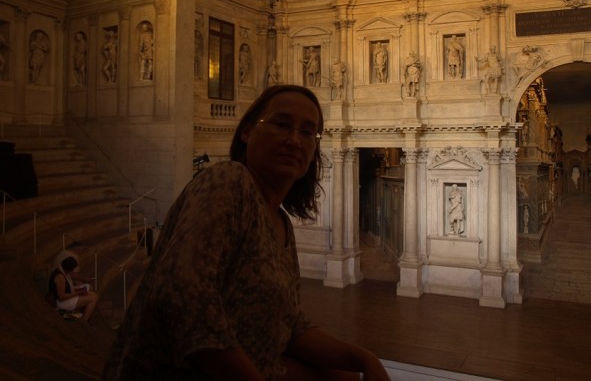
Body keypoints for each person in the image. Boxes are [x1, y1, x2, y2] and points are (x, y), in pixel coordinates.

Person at [102, 85, 390, 380]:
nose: (294, 140)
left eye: (307, 132)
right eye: (282, 124)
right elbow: (185, 296)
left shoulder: (281, 224)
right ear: (247, 132)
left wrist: (364, 359)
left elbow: (290, 325)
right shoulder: (229, 179)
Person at [48, 255, 98, 323]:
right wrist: (78, 293)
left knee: (92, 294)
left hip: (66, 297)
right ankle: (84, 320)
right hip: (62, 303)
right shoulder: (60, 277)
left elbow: (67, 288)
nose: (72, 271)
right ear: (68, 268)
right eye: (72, 269)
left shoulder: (62, 271)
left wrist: (78, 289)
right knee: (94, 298)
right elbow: (61, 297)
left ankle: (85, 317)